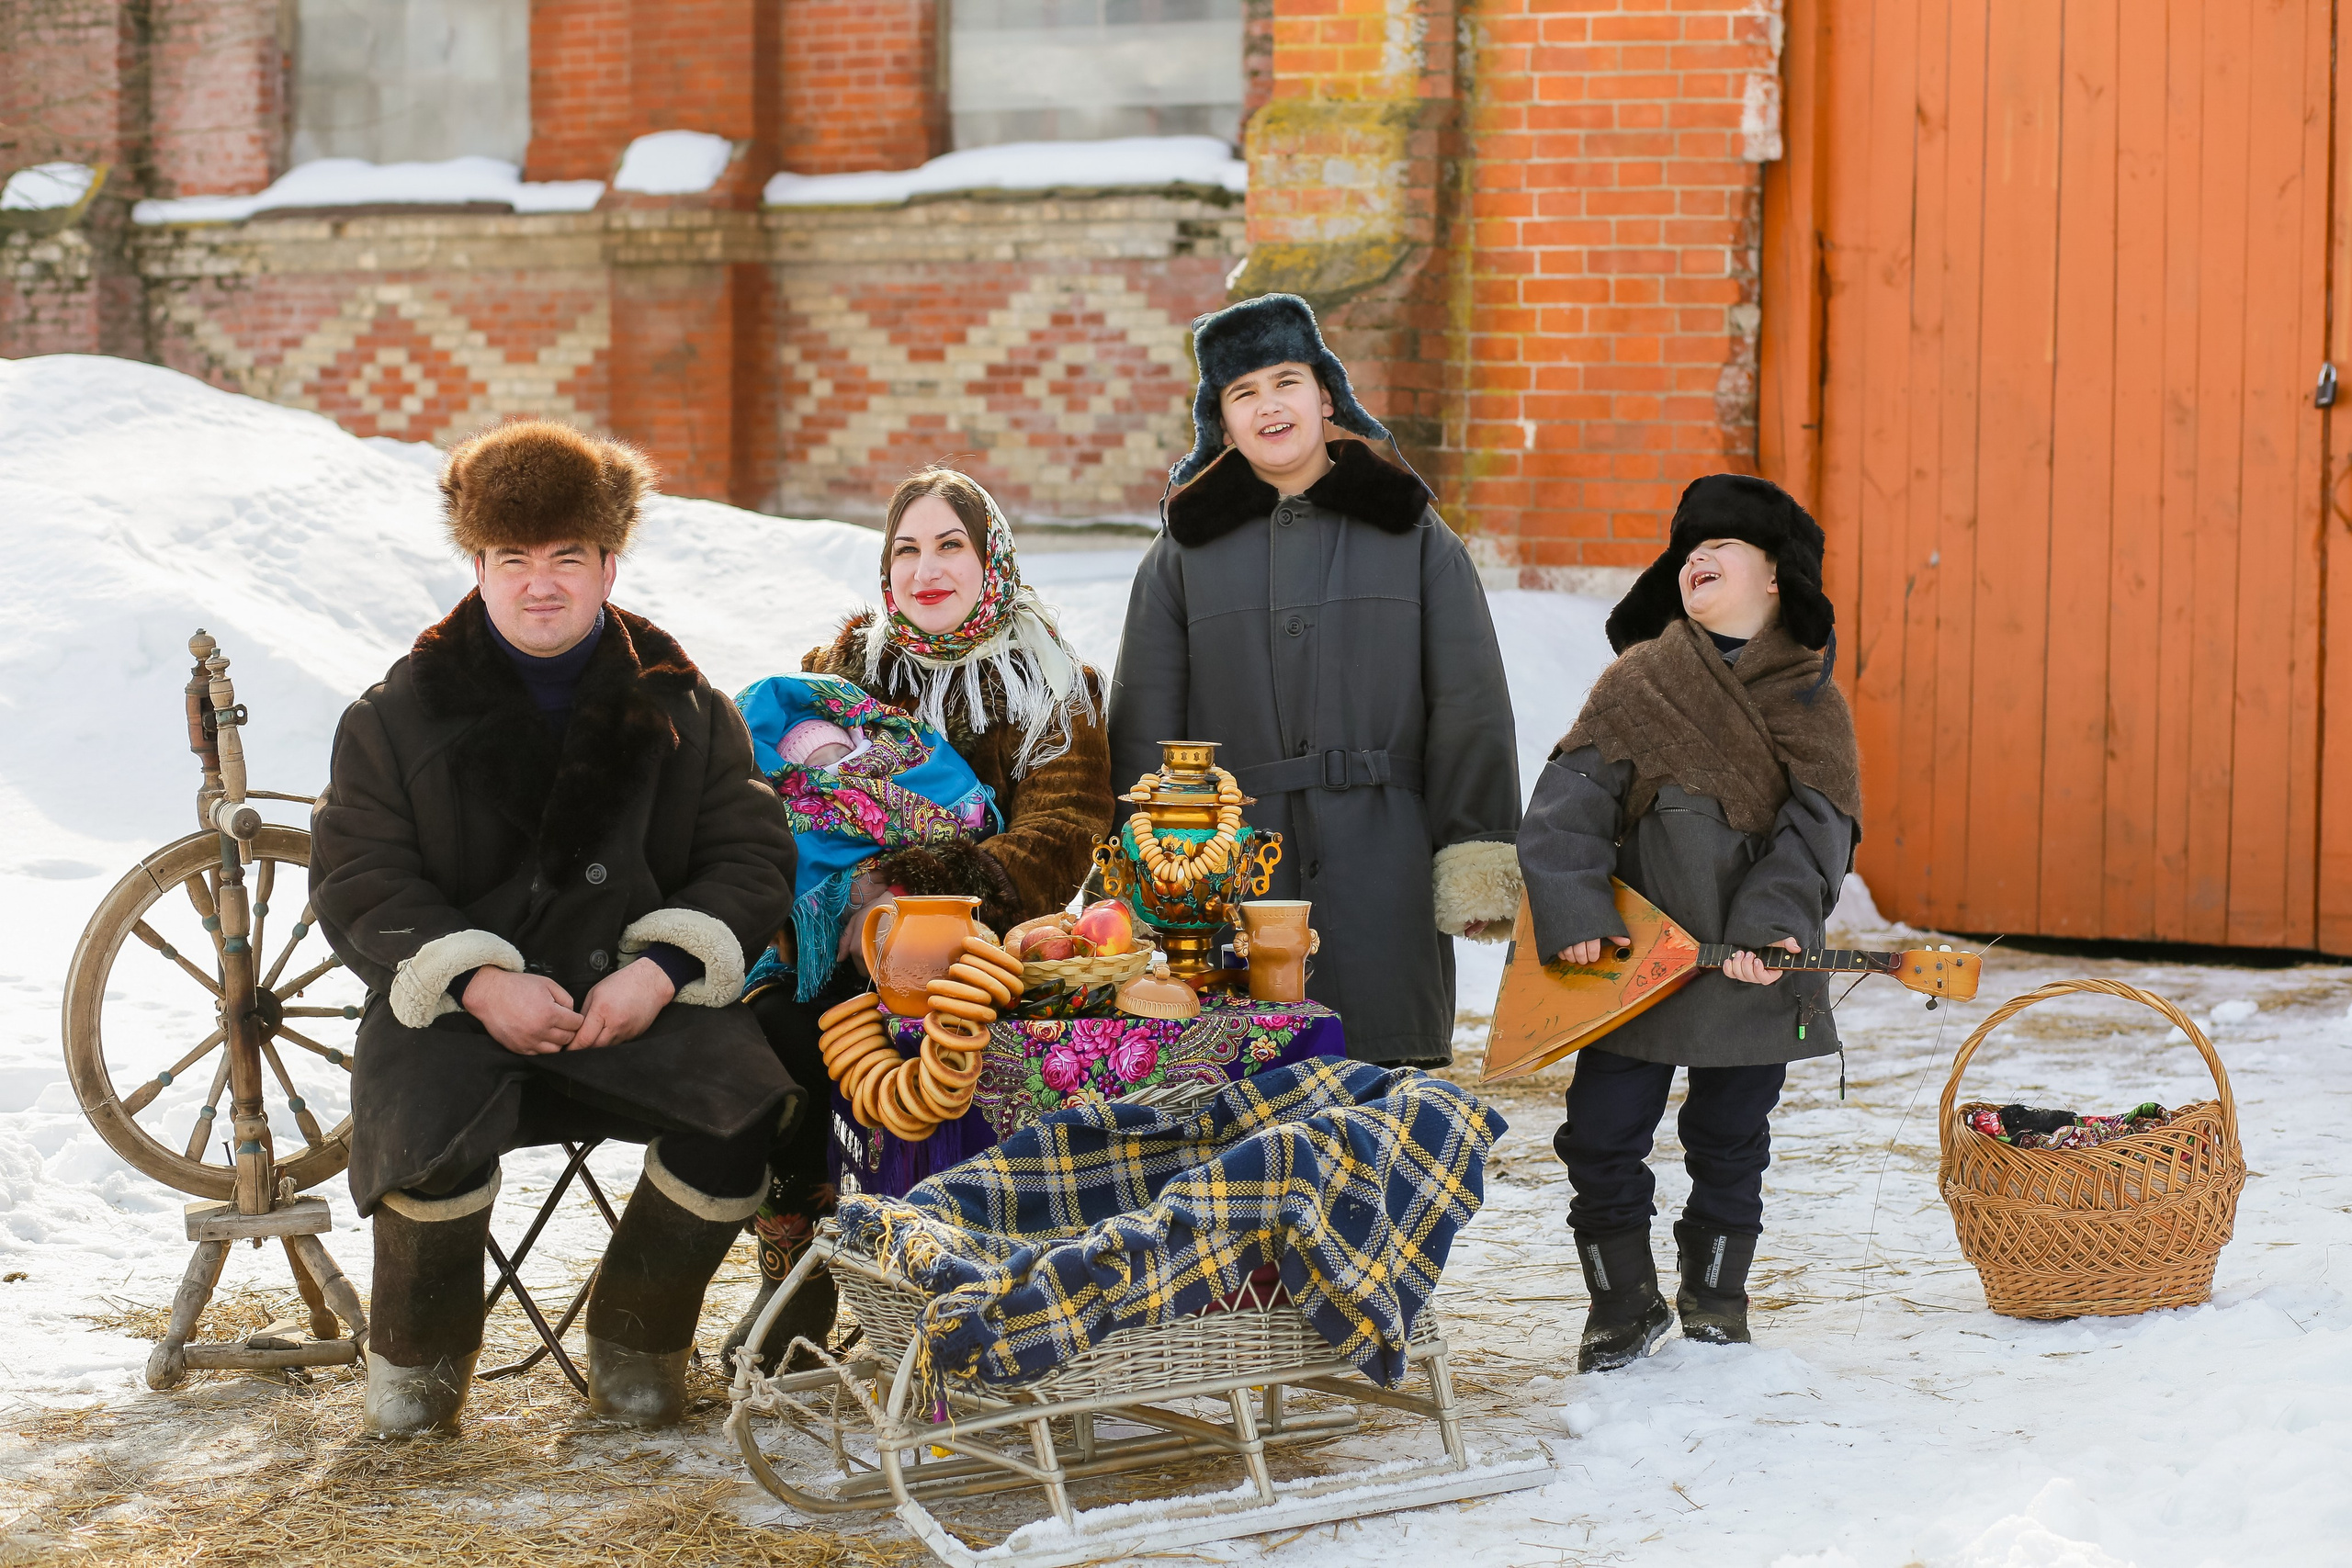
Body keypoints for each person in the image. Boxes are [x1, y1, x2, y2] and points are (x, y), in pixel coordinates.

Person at [310, 421, 800, 1435]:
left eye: (567, 557)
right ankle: (420, 1369)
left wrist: (662, 969)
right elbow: (359, 874)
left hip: (633, 1005)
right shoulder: (393, 717)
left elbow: (749, 853)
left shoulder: (685, 706)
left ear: (608, 563)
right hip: (456, 1015)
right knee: (417, 1122)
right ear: (478, 567)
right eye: (514, 559)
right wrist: (480, 983)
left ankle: (637, 1341)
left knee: (746, 1102)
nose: (542, 583)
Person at [722, 466, 1115, 1367]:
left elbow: (1062, 831)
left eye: (950, 546)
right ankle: (802, 1273)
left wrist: (920, 897)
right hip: (829, 955)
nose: (926, 568)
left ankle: (942, 1281)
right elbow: (779, 797)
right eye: (906, 549)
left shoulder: (1059, 686)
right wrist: (827, 901)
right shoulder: (837, 678)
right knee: (775, 1033)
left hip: (980, 960)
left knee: (929, 1048)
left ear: (992, 561)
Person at [1108, 292, 1523, 1066]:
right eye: (1243, 393)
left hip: (1385, 870)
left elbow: (1470, 703)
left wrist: (1473, 845)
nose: (1269, 405)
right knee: (1242, 1099)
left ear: (1325, 394)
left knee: (1384, 1106)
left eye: (1285, 381)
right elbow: (1143, 729)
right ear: (1220, 423)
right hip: (1233, 880)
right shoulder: (1181, 558)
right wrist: (1153, 881)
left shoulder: (1414, 534)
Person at [1516, 473, 1860, 1372]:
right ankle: (1622, 1303)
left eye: (1723, 543)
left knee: (1730, 1137)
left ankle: (1715, 1296)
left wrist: (1774, 926)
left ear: (1777, 574)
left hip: (1754, 970)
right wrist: (1576, 908)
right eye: (1688, 546)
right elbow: (1565, 811)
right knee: (1598, 1131)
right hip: (1636, 964)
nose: (1696, 557)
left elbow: (1816, 834)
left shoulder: (1812, 705)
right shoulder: (1636, 685)